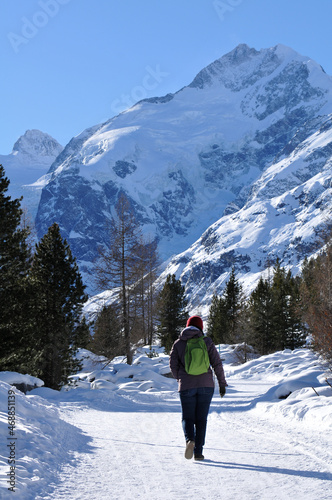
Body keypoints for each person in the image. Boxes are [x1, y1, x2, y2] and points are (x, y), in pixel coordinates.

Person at [169, 315, 227, 461]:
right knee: (201, 420)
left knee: (188, 418)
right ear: (201, 327)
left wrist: (180, 378)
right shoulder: (206, 342)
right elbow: (217, 364)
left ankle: (190, 440)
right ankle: (198, 452)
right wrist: (221, 383)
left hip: (186, 386)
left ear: (187, 326)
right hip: (206, 385)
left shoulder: (178, 343)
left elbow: (173, 365)